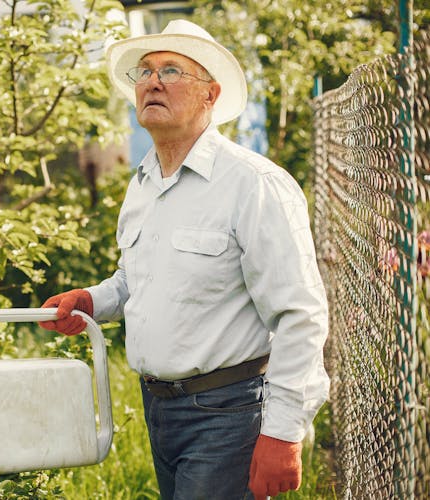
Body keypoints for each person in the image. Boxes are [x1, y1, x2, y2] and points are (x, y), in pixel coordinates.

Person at [38, 19, 329, 500]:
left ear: (210, 95)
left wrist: (283, 432)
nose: (152, 81)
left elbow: (300, 313)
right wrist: (91, 299)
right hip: (159, 409)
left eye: (172, 70)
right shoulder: (143, 183)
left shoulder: (253, 184)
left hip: (229, 414)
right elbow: (136, 280)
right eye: (146, 71)